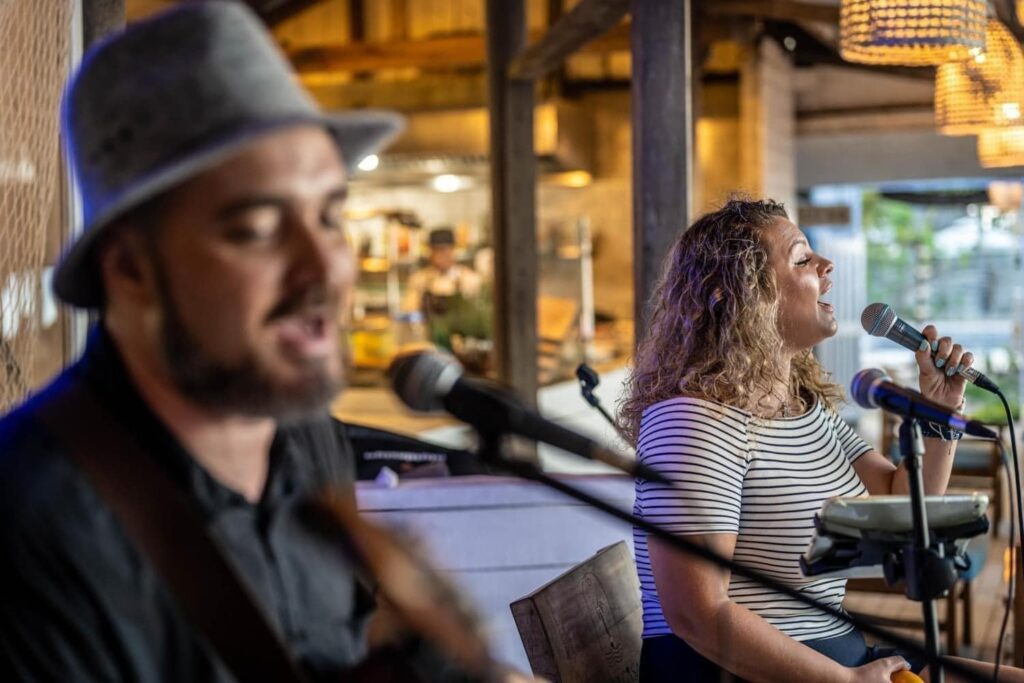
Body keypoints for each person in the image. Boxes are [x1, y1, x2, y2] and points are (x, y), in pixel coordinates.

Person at [0, 3, 503, 681]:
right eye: (260, 228)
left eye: (329, 216)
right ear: (130, 269)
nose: (325, 266)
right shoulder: (34, 524)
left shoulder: (306, 440)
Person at [620, 198, 1020, 683]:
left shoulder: (805, 408)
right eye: (802, 258)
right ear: (742, 294)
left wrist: (940, 413)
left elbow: (903, 505)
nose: (827, 265)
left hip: (838, 657)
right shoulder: (692, 420)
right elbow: (695, 613)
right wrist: (845, 682)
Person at [402, 227, 483, 318]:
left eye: (443, 250)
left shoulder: (470, 279)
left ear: (453, 250)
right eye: (435, 250)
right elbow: (409, 312)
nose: (439, 255)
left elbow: (478, 313)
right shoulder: (419, 279)